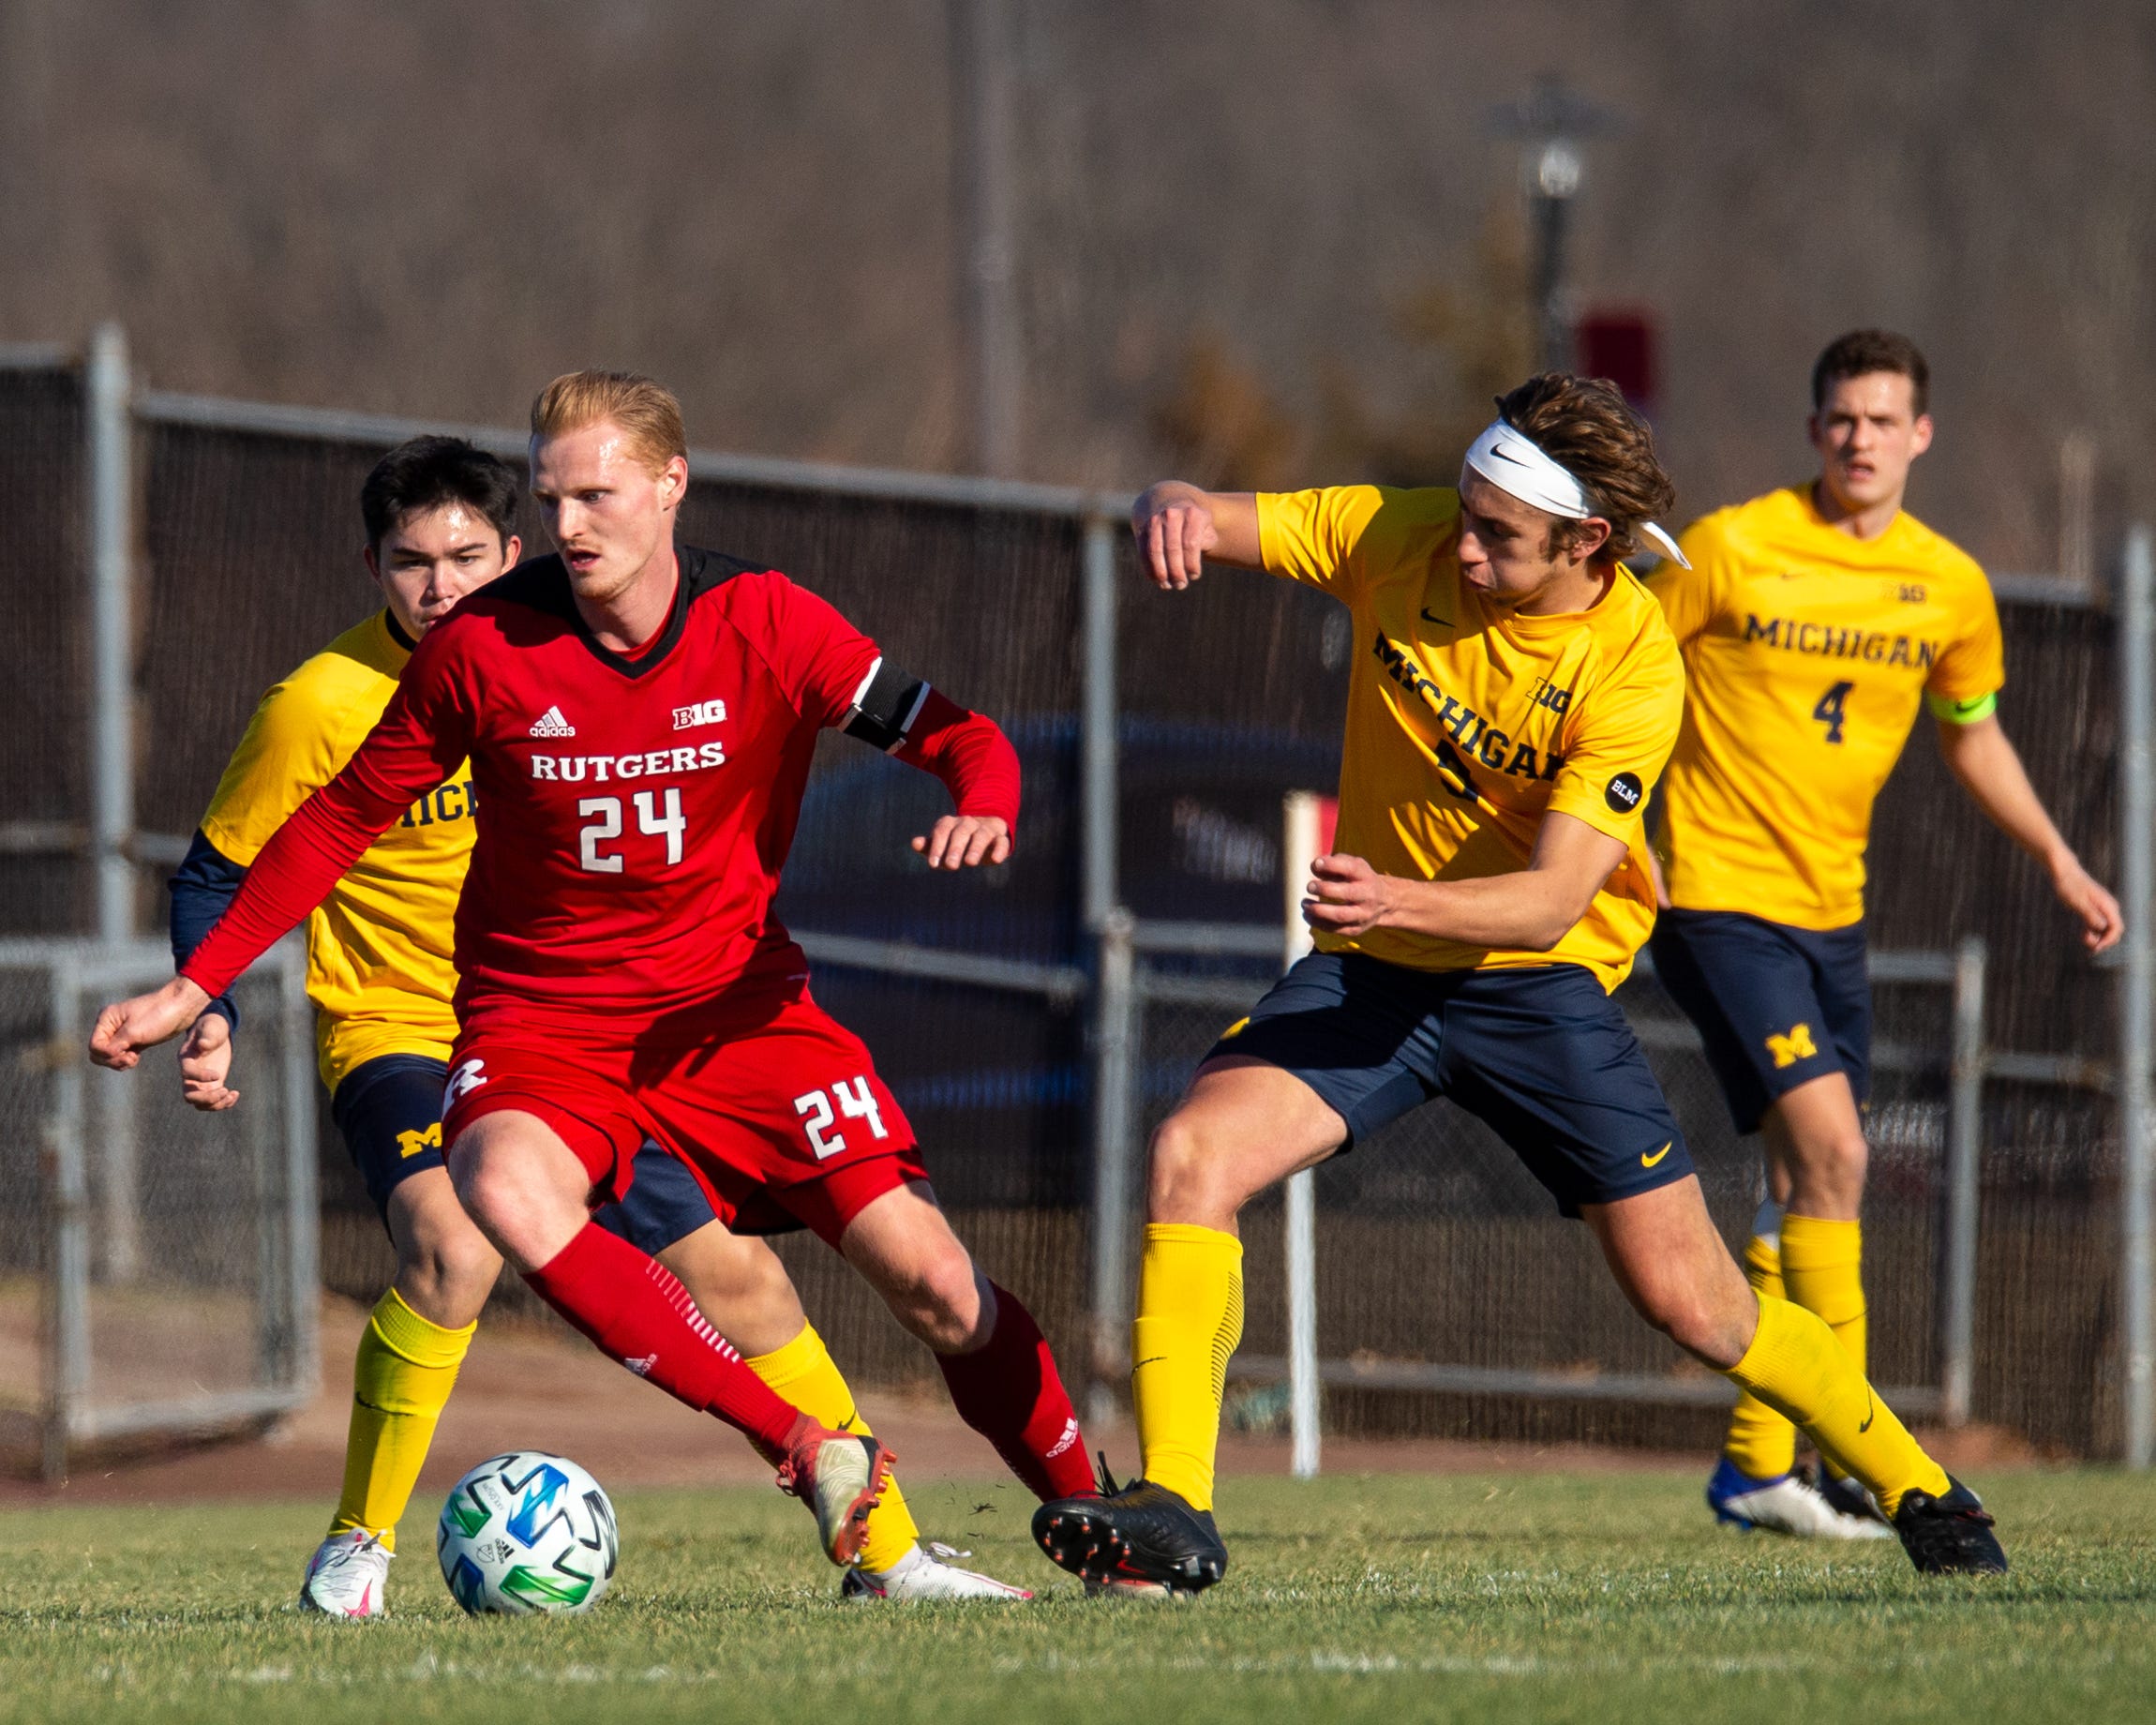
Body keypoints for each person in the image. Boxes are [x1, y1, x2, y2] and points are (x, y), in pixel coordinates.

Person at [94, 371, 1097, 1587]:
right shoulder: (478, 652)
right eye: (555, 497)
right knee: (493, 1202)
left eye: (596, 496)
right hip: (532, 1027)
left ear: (673, 487)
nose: (571, 528)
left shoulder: (768, 620)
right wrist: (200, 985)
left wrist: (985, 799)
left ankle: (1100, 1532)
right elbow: (331, 823)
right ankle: (795, 1452)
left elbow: (954, 729)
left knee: (930, 1284)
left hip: (736, 1012)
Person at [1031, 373, 2010, 1595]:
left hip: (1533, 992)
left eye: (1500, 532)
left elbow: (1552, 902)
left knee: (1698, 1308)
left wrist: (1395, 899)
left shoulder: (1632, 662)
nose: (1466, 544)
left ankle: (1920, 1484)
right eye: (1467, 512)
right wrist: (1168, 504)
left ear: (1586, 541)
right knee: (1193, 1157)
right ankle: (1176, 1511)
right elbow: (1217, 510)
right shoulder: (1402, 535)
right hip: (1377, 981)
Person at [1645, 330, 2121, 1538]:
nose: (1859, 439)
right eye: (1840, 419)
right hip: (1714, 894)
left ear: (1922, 435)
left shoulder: (1949, 585)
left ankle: (1759, 1473)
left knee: (1805, 1188)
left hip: (1832, 917)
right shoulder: (1734, 546)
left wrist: (2059, 856)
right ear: (1815, 431)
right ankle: (1872, 1457)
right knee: (1840, 1158)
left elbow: (1973, 731)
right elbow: (1620, 664)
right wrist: (1620, 835)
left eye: (1882, 419)